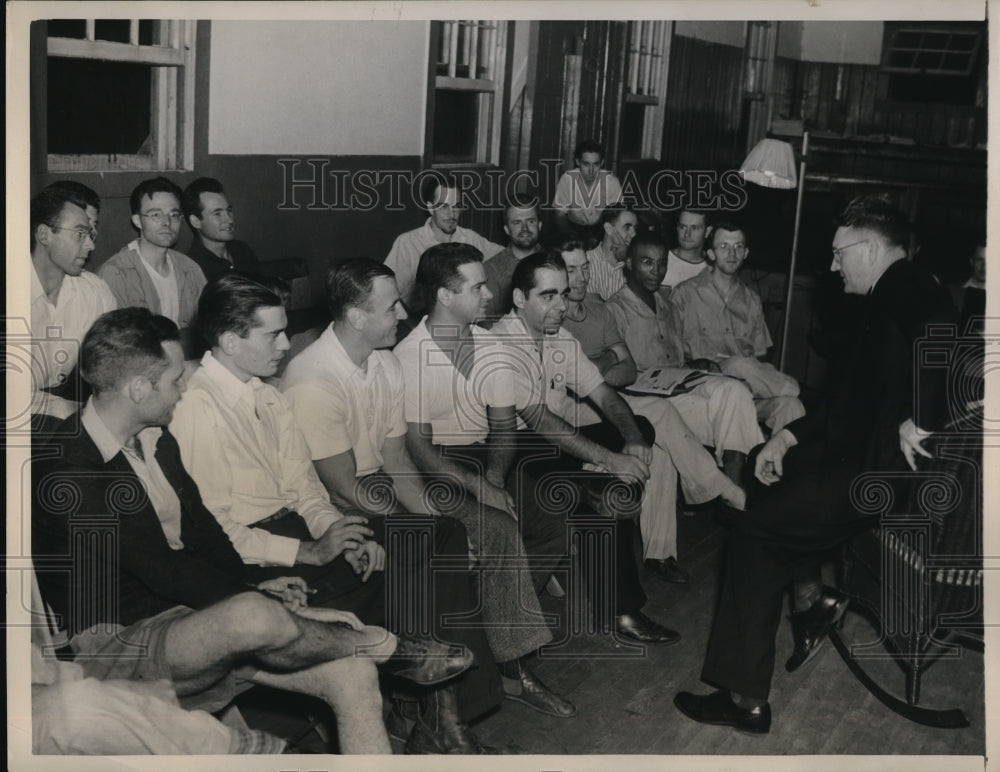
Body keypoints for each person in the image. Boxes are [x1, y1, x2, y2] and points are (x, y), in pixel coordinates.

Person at [31, 307, 442, 754]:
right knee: (255, 617)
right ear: (138, 389)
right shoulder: (71, 471)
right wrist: (266, 607)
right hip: (117, 642)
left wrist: (252, 583)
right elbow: (165, 571)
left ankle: (356, 657)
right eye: (175, 380)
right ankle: (382, 646)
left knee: (351, 672)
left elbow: (205, 531)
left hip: (184, 619)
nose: (183, 389)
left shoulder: (154, 437)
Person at [168, 273, 503, 754]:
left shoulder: (266, 395)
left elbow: (305, 487)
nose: (286, 344)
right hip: (252, 556)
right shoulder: (195, 409)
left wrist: (340, 532)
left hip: (297, 530)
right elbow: (216, 532)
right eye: (273, 335)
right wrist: (308, 550)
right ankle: (438, 720)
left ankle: (445, 717)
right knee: (414, 577)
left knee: (440, 535)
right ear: (229, 340)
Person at [674, 195, 957, 733]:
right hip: (853, 465)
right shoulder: (886, 295)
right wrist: (785, 437)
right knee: (764, 493)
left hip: (871, 478)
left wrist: (924, 417)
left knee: (751, 526)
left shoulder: (907, 283)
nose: (832, 265)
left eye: (838, 253)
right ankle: (810, 604)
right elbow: (843, 403)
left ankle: (746, 695)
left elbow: (942, 328)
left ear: (869, 249)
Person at [280, 257, 575, 719]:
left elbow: (398, 461)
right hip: (335, 504)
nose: (402, 314)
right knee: (446, 547)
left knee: (494, 529)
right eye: (391, 307)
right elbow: (344, 488)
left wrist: (440, 518)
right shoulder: (313, 379)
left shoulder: (383, 363)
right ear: (356, 317)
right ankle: (439, 705)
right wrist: (438, 531)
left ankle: (512, 669)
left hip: (384, 485)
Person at [487, 250, 683, 642]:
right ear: (520, 299)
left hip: (553, 447)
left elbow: (605, 395)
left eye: (563, 294)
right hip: (508, 455)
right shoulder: (499, 344)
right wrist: (609, 460)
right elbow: (540, 422)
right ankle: (621, 611)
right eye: (548, 296)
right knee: (606, 491)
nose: (562, 305)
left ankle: (593, 487)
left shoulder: (559, 338)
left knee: (641, 426)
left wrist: (631, 440)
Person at [559, 240, 745, 582]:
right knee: (658, 411)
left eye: (585, 268)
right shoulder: (553, 315)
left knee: (659, 447)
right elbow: (569, 379)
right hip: (568, 411)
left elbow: (628, 370)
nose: (581, 277)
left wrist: (592, 368)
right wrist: (607, 360)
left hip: (605, 399)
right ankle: (718, 486)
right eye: (571, 270)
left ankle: (660, 553)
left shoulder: (599, 311)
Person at [607, 233, 764, 483]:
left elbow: (675, 360)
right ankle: (734, 491)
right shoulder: (614, 310)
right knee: (734, 415)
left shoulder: (668, 307)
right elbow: (611, 376)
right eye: (647, 262)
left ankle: (732, 490)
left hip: (678, 390)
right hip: (644, 400)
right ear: (628, 263)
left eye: (662, 264)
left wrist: (695, 364)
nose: (656, 271)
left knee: (736, 394)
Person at [670, 220, 806, 433]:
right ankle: (799, 391)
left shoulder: (751, 300)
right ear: (711, 253)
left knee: (791, 406)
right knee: (737, 364)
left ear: (746, 253)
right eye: (723, 246)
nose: (731, 253)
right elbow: (670, 354)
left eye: (738, 247)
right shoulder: (685, 294)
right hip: (705, 386)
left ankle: (775, 453)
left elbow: (759, 358)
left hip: (747, 389)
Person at [29, 183, 117, 429]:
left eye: (91, 232)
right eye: (80, 233)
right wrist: (70, 410)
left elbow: (117, 359)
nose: (91, 245)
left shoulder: (94, 291)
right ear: (44, 235)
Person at [97, 177, 206, 333]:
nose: (167, 222)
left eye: (174, 215)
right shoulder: (116, 273)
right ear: (138, 221)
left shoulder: (191, 269)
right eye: (156, 215)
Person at [385, 173, 503, 317]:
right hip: (420, 319)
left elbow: (506, 256)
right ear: (430, 208)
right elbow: (387, 291)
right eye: (444, 206)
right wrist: (409, 323)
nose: (452, 214)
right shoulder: (408, 243)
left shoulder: (470, 238)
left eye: (456, 206)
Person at [180, 177, 261, 280]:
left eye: (229, 210)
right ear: (196, 221)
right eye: (217, 213)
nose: (229, 220)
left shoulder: (243, 250)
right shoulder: (192, 267)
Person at [481, 200, 544, 323]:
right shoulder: (491, 269)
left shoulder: (557, 262)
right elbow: (487, 324)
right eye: (517, 222)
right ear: (507, 229)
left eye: (530, 221)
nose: (525, 228)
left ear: (540, 225)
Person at [552, 139, 623, 245]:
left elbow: (617, 217)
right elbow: (559, 215)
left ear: (602, 163)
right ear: (577, 162)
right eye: (586, 164)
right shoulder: (567, 179)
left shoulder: (611, 182)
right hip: (572, 229)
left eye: (596, 164)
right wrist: (574, 238)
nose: (591, 170)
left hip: (601, 231)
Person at [584, 205, 638, 300]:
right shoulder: (587, 261)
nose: (634, 234)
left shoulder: (634, 263)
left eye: (635, 228)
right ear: (609, 228)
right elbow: (594, 306)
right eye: (627, 227)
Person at [661, 208, 711, 290]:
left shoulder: (714, 266)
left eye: (694, 228)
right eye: (683, 227)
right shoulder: (662, 258)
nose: (687, 234)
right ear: (677, 228)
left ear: (707, 231)